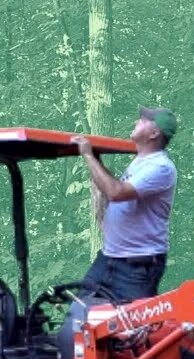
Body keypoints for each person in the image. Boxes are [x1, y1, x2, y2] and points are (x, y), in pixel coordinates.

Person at [70, 107, 178, 303]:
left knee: (131, 328)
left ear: (154, 133)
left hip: (137, 265)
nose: (137, 121)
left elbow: (116, 192)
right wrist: (97, 160)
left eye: (144, 120)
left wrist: (88, 156)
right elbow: (114, 190)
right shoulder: (140, 162)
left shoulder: (160, 167)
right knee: (81, 316)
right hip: (110, 257)